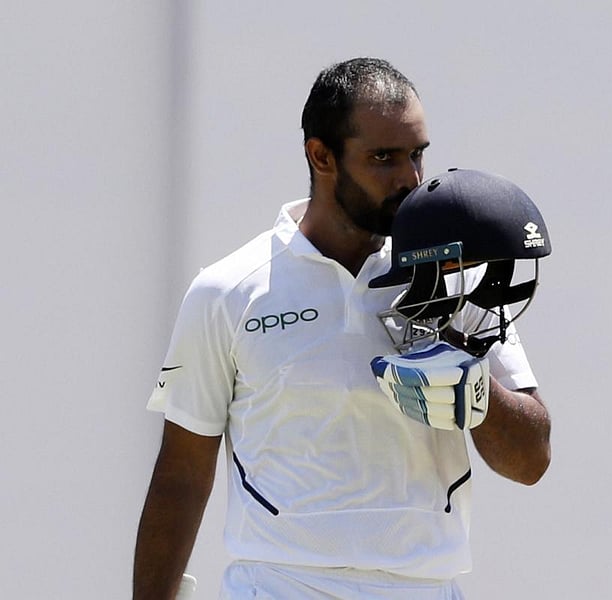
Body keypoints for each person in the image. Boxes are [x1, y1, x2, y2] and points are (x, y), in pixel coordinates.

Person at [133, 57, 551, 600]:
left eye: (416, 154)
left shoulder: (456, 277)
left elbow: (531, 460)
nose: (410, 179)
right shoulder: (226, 291)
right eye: (384, 157)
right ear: (321, 155)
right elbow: (181, 475)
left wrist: (475, 390)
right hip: (280, 585)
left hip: (427, 587)